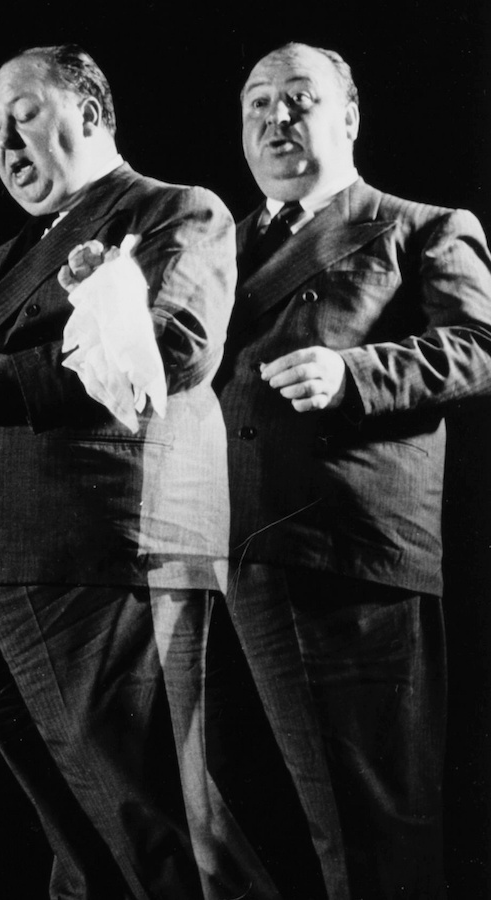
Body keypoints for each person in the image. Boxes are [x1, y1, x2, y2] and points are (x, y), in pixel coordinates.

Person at [0, 45, 276, 898]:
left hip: (93, 550)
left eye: (24, 115)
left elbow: (176, 346)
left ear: (92, 113)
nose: (5, 144)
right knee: (76, 833)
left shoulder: (174, 210)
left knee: (150, 822)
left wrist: (5, 381)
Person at [216, 42, 491, 899]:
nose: (276, 118)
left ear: (350, 115)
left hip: (341, 555)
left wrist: (354, 373)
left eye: (299, 99)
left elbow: (480, 346)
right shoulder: (214, 244)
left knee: (369, 833)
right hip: (210, 551)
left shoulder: (421, 225)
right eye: (258, 103)